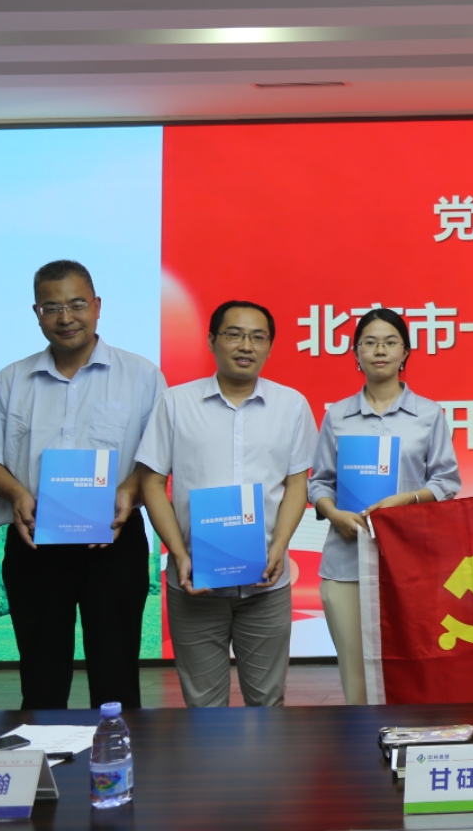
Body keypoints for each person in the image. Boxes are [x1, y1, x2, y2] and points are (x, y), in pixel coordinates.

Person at [0, 260, 165, 711]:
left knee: (116, 676)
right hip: (34, 542)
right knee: (41, 678)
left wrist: (129, 490)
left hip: (114, 542)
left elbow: (157, 457)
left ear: (97, 306)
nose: (65, 318)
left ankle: (117, 754)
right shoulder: (11, 381)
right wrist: (17, 494)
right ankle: (42, 754)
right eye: (52, 307)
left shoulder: (141, 376)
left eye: (76, 305)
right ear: (36, 313)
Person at [136, 300, 317, 708]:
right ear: (212, 340)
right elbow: (152, 483)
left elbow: (296, 484)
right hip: (194, 580)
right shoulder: (176, 403)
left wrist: (279, 547)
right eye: (234, 334)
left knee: (268, 703)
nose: (246, 345)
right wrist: (178, 554)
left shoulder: (291, 405)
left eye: (257, 337)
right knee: (203, 708)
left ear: (269, 345)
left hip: (266, 582)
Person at [307, 308, 461, 704]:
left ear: (405, 352)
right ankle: (363, 742)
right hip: (346, 564)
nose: (380, 350)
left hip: (410, 565)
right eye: (370, 343)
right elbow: (319, 482)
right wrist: (333, 512)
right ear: (356, 353)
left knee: (412, 671)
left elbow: (446, 481)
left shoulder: (428, 414)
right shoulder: (337, 416)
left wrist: (407, 500)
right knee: (356, 679)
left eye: (390, 342)